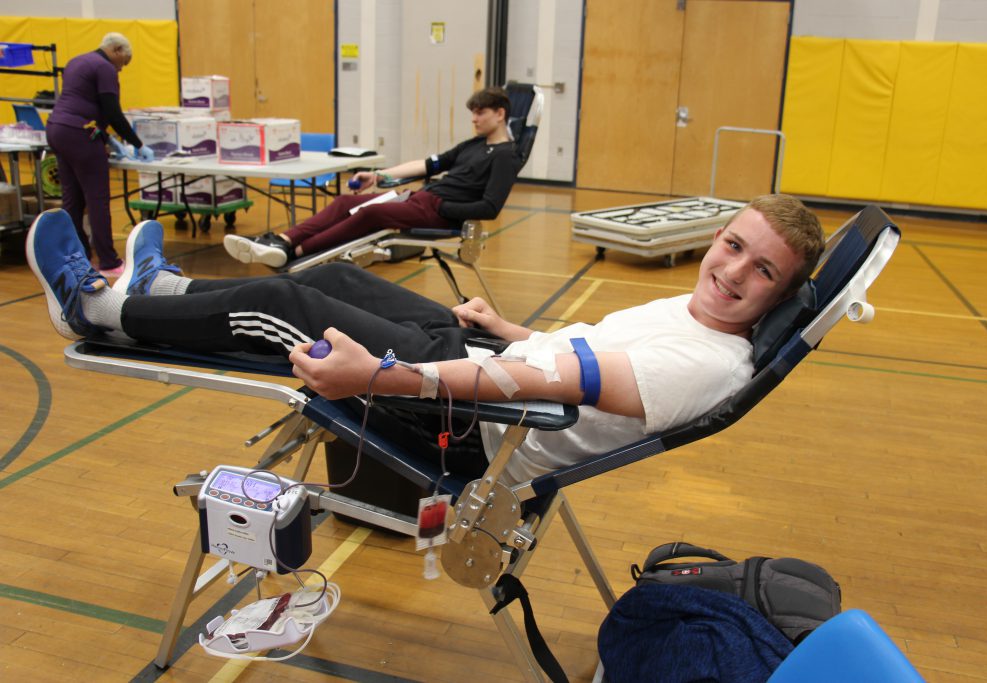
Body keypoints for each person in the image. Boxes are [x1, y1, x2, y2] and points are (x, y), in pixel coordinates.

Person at [28, 194, 824, 482]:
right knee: (331, 280)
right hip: (493, 368)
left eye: (760, 270)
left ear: (777, 297)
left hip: (474, 431)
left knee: (286, 301)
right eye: (732, 245)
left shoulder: (708, 363)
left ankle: (96, 312)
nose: (731, 270)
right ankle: (157, 289)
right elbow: (573, 355)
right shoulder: (694, 317)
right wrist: (506, 329)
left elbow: (556, 386)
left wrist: (377, 376)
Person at [223, 86, 521, 268]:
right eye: (473, 113)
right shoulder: (474, 145)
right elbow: (427, 165)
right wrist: (378, 176)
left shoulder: (506, 156)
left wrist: (444, 209)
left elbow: (489, 208)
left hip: (439, 210)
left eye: (480, 112)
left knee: (372, 213)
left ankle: (294, 253)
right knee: (343, 202)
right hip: (421, 198)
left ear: (500, 114)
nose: (474, 118)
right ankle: (282, 241)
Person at [45, 32, 155, 279]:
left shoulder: (76, 61)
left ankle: (79, 256)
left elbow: (86, 103)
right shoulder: (105, 68)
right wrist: (137, 143)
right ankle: (108, 260)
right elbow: (112, 111)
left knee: (72, 200)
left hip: (56, 129)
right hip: (79, 135)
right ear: (115, 50)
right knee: (97, 199)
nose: (121, 69)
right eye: (123, 63)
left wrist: (107, 137)